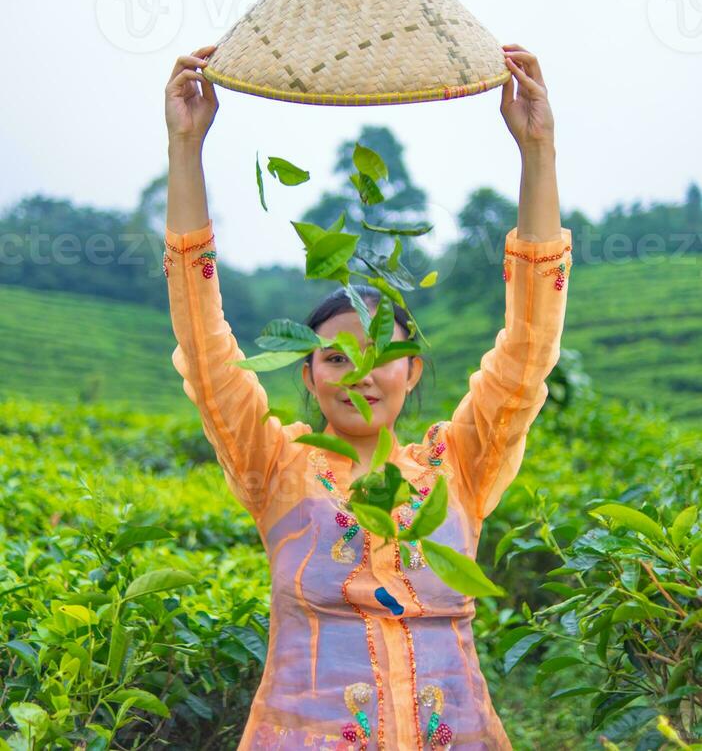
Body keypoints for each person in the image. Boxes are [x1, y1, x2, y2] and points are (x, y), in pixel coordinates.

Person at [163, 42, 573, 751]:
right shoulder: (278, 467)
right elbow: (207, 354)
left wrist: (538, 149)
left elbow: (527, 351)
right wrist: (186, 148)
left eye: (385, 354)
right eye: (336, 356)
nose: (362, 373)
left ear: (412, 372)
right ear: (309, 375)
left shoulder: (460, 468)